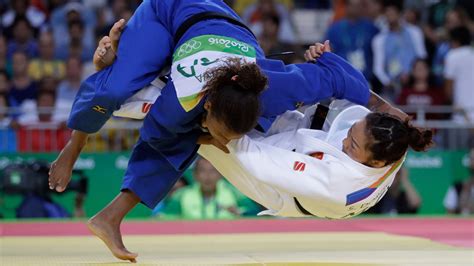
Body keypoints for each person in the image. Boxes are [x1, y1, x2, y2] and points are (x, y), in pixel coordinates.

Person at [49, 0, 404, 262]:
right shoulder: (183, 101)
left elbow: (336, 78)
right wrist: (109, 71)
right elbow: (153, 133)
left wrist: (381, 106)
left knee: (193, 132)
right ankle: (79, 149)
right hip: (169, 12)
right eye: (220, 130)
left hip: (230, 29)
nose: (224, 140)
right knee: (117, 91)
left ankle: (110, 216)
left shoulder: (272, 88)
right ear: (206, 107)